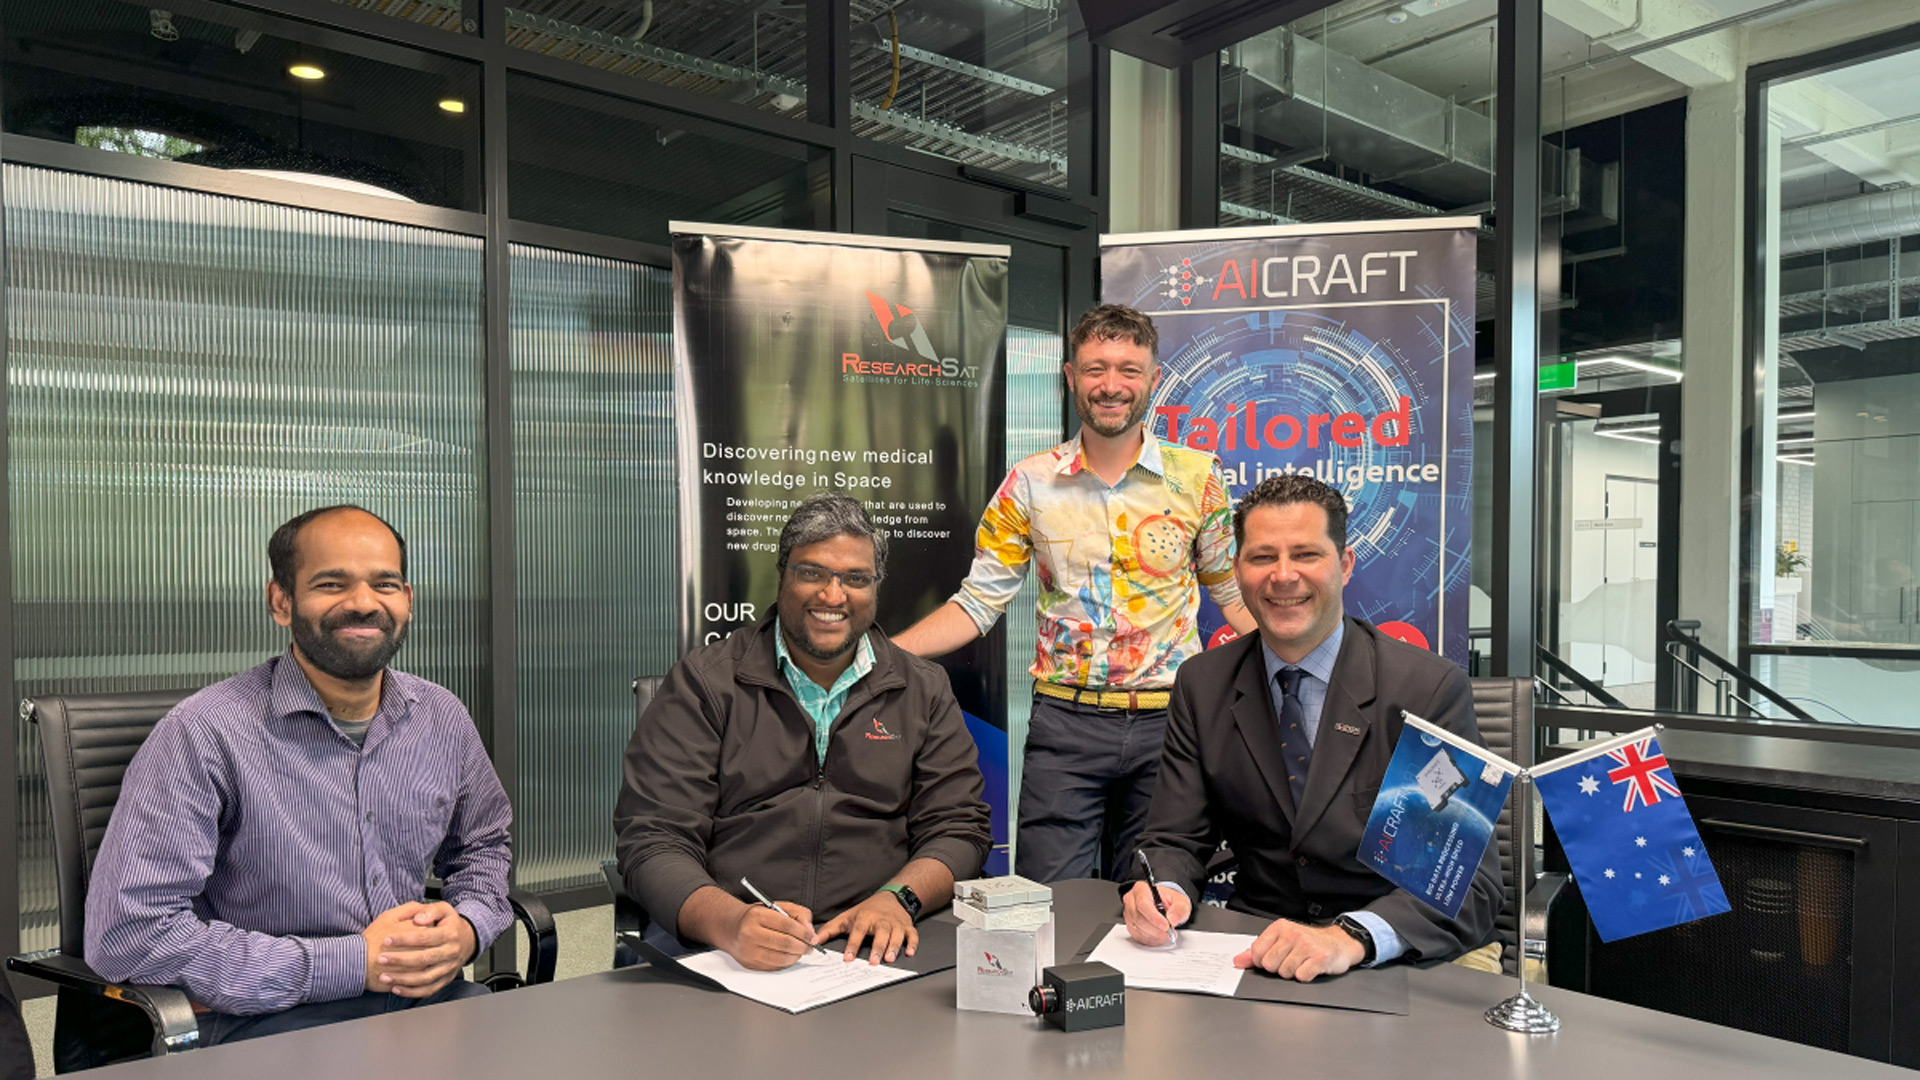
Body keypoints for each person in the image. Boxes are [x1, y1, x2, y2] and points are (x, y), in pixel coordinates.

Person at [86, 506, 513, 1045]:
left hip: (421, 1005)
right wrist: (353, 962)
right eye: (331, 583)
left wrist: (468, 927)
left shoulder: (440, 715)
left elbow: (483, 845)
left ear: (408, 600)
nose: (363, 602)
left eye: (384, 583)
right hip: (265, 1023)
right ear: (281, 602)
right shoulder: (203, 734)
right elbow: (131, 935)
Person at [894, 304, 1255, 883]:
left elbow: (1232, 597)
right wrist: (882, 655)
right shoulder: (1029, 482)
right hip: (1065, 725)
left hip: (1173, 726)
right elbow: (976, 604)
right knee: (1048, 901)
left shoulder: (1199, 477)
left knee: (1156, 904)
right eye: (1095, 369)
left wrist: (1314, 667)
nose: (1111, 386)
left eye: (1129, 370)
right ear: (1070, 377)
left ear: (1154, 379)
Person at [1121, 474, 1501, 981]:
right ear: (1237, 570)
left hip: (1397, 952)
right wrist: (1162, 889)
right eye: (1262, 557)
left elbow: (1467, 884)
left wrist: (1352, 938)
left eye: (1305, 555)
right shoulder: (1203, 683)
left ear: (1343, 566)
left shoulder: (1425, 691)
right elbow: (1173, 838)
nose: (1283, 576)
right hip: (1260, 950)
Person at [615, 493, 992, 971]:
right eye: (812, 572)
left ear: (876, 587)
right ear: (782, 575)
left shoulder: (923, 688)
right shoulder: (704, 684)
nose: (833, 596)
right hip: (721, 945)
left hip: (877, 942)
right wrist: (729, 922)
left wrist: (899, 899)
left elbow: (959, 828)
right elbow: (652, 838)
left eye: (856, 579)